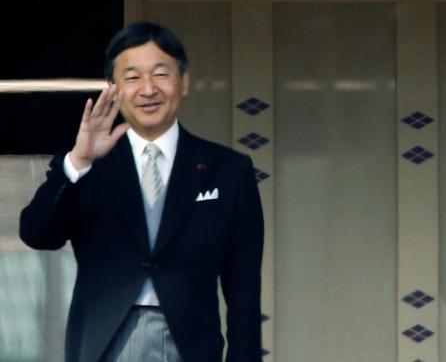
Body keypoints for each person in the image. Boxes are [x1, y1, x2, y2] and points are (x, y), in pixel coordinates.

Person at [20, 22, 264, 362]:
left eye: (160, 74)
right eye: (132, 78)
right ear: (114, 88)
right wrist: (79, 161)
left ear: (185, 82)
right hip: (105, 342)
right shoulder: (86, 164)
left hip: (192, 344)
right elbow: (37, 234)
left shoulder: (229, 170)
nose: (148, 89)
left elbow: (244, 289)